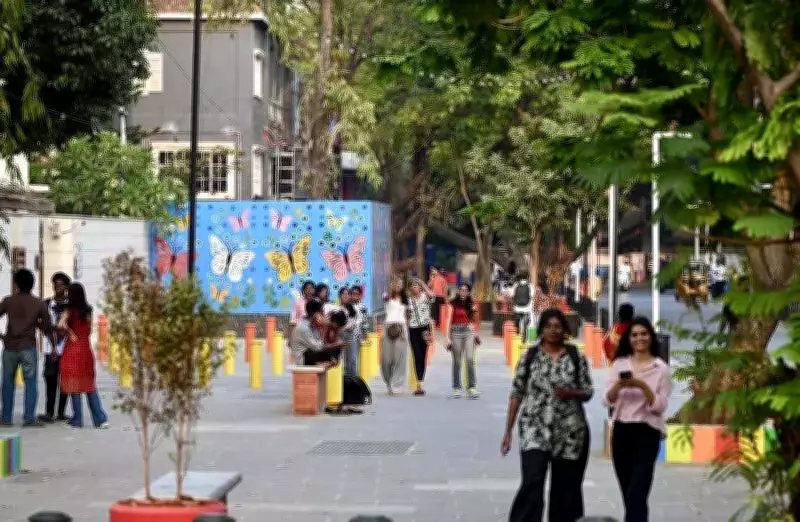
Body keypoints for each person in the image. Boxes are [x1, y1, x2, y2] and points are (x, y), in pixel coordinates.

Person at [502, 308, 593, 522]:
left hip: (569, 431)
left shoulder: (575, 356)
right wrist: (508, 430)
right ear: (541, 329)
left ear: (564, 329)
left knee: (565, 490)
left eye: (557, 326)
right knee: (532, 482)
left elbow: (588, 391)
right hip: (535, 429)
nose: (553, 331)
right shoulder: (530, 356)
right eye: (548, 326)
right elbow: (517, 393)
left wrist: (571, 392)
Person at [604, 316, 672, 522]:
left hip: (647, 432)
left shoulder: (661, 369)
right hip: (622, 431)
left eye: (643, 334)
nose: (639, 339)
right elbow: (606, 400)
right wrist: (619, 386)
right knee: (628, 491)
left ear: (651, 337)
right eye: (634, 335)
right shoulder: (619, 364)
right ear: (629, 339)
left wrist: (642, 386)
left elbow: (659, 406)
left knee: (638, 490)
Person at [0, 269, 58, 427]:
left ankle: (5, 418)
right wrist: (53, 347)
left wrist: (2, 336)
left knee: (7, 383)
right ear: (32, 284)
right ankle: (29, 418)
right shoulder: (38, 303)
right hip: (28, 347)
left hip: (10, 347)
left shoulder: (8, 301)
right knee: (31, 383)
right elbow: (47, 327)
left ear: (16, 283)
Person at [58, 283, 109, 429]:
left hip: (72, 349)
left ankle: (77, 419)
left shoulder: (68, 311)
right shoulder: (88, 310)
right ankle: (100, 419)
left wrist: (70, 333)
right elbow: (89, 331)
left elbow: (60, 325)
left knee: (74, 384)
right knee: (89, 385)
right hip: (85, 349)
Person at [39, 272, 71, 423]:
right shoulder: (46, 304)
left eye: (60, 284)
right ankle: (49, 412)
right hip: (49, 350)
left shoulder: (71, 305)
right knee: (50, 380)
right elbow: (41, 324)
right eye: (55, 284)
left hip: (66, 349)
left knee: (64, 381)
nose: (57, 287)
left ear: (65, 287)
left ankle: (61, 412)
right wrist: (51, 336)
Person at [448, 282, 480, 399]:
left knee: (470, 359)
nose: (463, 292)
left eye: (465, 290)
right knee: (457, 361)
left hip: (468, 332)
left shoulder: (471, 303)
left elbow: (474, 321)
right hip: (455, 332)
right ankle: (456, 387)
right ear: (458, 291)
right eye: (461, 290)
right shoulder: (452, 303)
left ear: (468, 292)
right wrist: (447, 338)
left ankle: (472, 386)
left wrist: (474, 310)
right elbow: (448, 321)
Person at [291, 299, 346, 366]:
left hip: (311, 352)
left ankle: (329, 362)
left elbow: (320, 342)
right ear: (315, 314)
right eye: (321, 312)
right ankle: (329, 361)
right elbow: (317, 347)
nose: (323, 315)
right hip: (303, 358)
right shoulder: (304, 327)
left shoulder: (312, 325)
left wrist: (324, 326)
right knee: (330, 351)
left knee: (336, 349)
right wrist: (334, 344)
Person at [407, 278, 435, 396]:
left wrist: (422, 283)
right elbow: (406, 314)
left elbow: (432, 296)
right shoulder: (408, 301)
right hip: (413, 329)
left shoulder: (425, 297)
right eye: (412, 285)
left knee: (423, 355)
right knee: (416, 355)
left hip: (424, 329)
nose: (415, 287)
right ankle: (419, 384)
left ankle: (420, 381)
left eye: (416, 285)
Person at [381, 279, 409, 395]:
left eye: (400, 284)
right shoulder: (387, 297)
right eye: (395, 284)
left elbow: (409, 315)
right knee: (386, 359)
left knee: (399, 358)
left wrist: (405, 329)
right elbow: (385, 296)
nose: (397, 286)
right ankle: (388, 381)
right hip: (388, 327)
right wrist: (391, 287)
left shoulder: (406, 299)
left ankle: (396, 384)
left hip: (401, 327)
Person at [288, 280, 315, 346]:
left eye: (311, 288)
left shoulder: (317, 302)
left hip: (314, 335)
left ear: (314, 290)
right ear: (303, 290)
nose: (309, 291)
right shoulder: (298, 302)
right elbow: (293, 321)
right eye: (307, 289)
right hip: (300, 334)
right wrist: (290, 338)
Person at [511, 272, 536, 343]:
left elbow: (512, 295)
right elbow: (532, 296)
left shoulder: (516, 285)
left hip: (517, 307)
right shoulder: (530, 286)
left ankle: (518, 329)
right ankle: (524, 338)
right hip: (527, 307)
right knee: (526, 322)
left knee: (517, 321)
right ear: (527, 277)